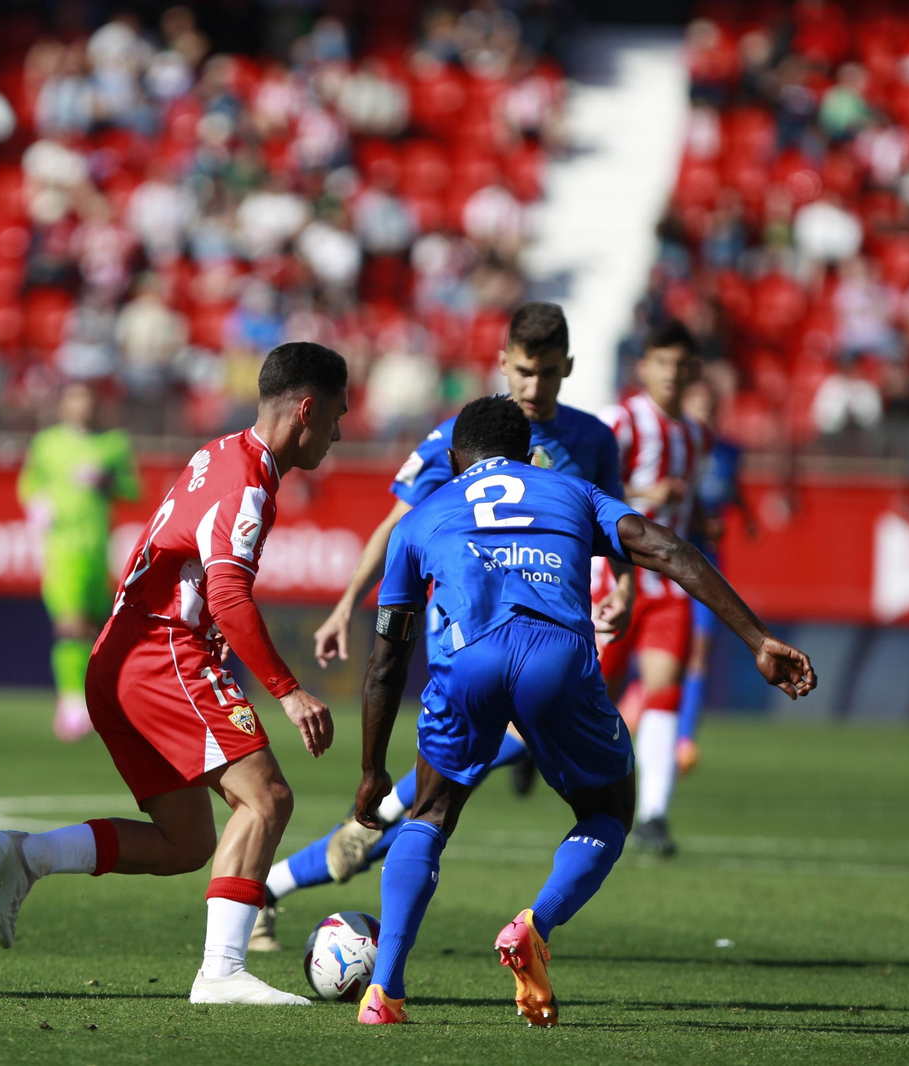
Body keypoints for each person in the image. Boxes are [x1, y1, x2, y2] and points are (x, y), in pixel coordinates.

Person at [351, 396, 815, 1027]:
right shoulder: (573, 491)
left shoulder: (422, 517)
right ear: (530, 453)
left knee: (430, 812)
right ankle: (535, 924)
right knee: (607, 810)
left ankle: (384, 993)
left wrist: (372, 771)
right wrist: (758, 639)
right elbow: (670, 549)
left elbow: (384, 663)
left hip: (468, 666)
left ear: (456, 458)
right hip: (555, 662)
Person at [255, 302, 633, 951]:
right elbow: (395, 527)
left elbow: (619, 533)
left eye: (546, 374)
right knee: (433, 802)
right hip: (482, 637)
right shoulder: (458, 442)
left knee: (429, 804)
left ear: (567, 368)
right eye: (523, 371)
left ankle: (296, 880)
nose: (533, 387)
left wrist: (622, 589)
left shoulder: (594, 440)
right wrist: (348, 603)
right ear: (503, 363)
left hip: (563, 636)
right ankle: (282, 883)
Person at [0, 342, 347, 1005]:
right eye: (337, 417)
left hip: (117, 660)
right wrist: (289, 693)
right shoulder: (247, 485)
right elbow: (229, 598)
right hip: (162, 654)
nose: (341, 433)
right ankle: (223, 974)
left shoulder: (218, 453)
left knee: (185, 843)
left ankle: (29, 856)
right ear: (307, 410)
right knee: (267, 799)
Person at [596, 320, 710, 856]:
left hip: (668, 588)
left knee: (664, 691)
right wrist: (647, 491)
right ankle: (525, 751)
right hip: (615, 581)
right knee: (581, 695)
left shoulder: (694, 433)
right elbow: (591, 489)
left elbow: (690, 504)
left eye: (679, 365)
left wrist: (704, 521)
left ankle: (655, 816)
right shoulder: (622, 422)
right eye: (661, 363)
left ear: (691, 371)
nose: (670, 373)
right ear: (644, 368)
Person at [18, 381, 140, 740]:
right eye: (74, 400)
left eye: (86, 401)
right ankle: (71, 702)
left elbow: (134, 490)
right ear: (63, 406)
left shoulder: (114, 445)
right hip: (61, 548)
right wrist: (37, 506)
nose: (81, 407)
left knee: (94, 628)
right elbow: (29, 485)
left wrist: (109, 482)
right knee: (69, 623)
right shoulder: (47, 444)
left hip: (98, 549)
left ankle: (94, 698)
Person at [675, 376, 753, 774]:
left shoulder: (727, 453)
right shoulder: (674, 449)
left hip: (707, 565)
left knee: (699, 651)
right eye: (697, 406)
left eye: (709, 408)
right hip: (668, 563)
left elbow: (730, 489)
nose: (703, 415)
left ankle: (684, 738)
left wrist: (746, 514)